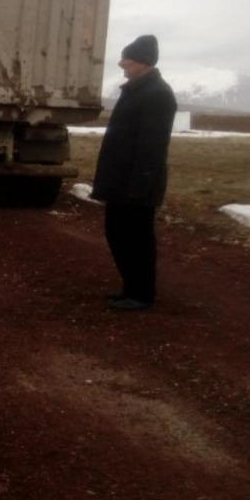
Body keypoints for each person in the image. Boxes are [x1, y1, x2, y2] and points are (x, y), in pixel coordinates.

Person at [92, 35, 177, 311]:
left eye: (127, 61)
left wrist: (140, 185)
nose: (122, 65)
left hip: (137, 183)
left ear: (143, 62)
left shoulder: (157, 95)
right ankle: (131, 288)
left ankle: (141, 293)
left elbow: (151, 146)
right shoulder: (137, 90)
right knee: (117, 232)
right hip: (122, 180)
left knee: (137, 238)